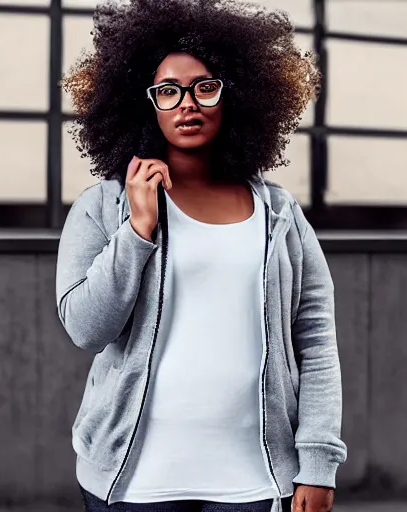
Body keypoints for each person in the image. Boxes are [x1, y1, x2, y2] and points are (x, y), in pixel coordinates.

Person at [56, 1, 347, 511]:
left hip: (253, 480)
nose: (186, 103)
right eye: (167, 91)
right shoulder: (102, 208)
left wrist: (318, 463)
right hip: (132, 483)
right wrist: (138, 229)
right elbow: (85, 328)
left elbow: (316, 339)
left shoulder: (278, 214)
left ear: (233, 95)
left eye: (203, 87)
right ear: (145, 103)